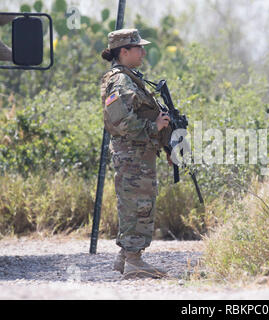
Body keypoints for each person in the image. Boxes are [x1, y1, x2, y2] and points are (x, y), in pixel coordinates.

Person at [100, 28, 172, 279]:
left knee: (134, 204)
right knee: (138, 206)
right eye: (138, 47)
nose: (143, 51)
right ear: (124, 52)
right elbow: (119, 123)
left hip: (138, 155)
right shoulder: (120, 81)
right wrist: (156, 127)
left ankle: (124, 259)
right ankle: (134, 261)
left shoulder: (129, 78)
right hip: (133, 156)